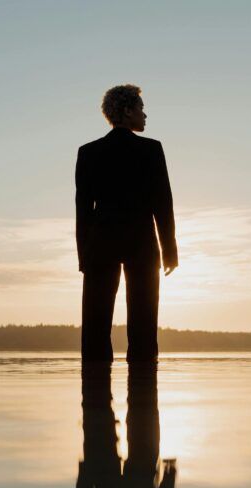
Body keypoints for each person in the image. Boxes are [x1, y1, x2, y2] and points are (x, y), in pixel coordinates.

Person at [75, 84, 179, 362]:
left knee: (95, 330)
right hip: (141, 243)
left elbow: (83, 210)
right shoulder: (151, 150)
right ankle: (144, 397)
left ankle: (94, 397)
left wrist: (83, 254)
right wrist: (170, 250)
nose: (145, 116)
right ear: (127, 111)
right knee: (144, 328)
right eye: (142, 109)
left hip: (99, 244)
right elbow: (163, 204)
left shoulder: (88, 152)